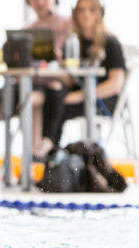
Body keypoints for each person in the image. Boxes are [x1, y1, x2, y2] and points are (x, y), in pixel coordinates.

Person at [46, 0, 126, 152]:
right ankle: (49, 152)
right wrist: (60, 64)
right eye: (81, 10)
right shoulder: (73, 42)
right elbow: (71, 80)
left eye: (91, 10)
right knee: (53, 94)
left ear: (99, 13)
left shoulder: (111, 43)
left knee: (59, 106)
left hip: (102, 101)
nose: (85, 15)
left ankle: (51, 150)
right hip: (78, 97)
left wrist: (80, 95)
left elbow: (116, 84)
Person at [24, 0, 71, 159]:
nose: (40, 2)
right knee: (31, 99)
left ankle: (48, 141)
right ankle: (35, 151)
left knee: (55, 86)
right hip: (36, 84)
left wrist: (60, 60)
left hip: (63, 82)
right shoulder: (27, 30)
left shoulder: (69, 25)